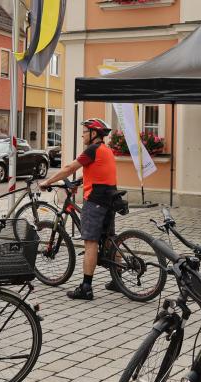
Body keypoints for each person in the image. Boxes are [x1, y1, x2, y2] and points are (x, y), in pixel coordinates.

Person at [40, 118, 120, 300]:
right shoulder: (106, 150)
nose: (83, 134)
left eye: (85, 131)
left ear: (94, 134)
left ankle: (86, 287)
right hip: (111, 197)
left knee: (90, 242)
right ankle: (118, 279)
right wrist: (79, 182)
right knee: (109, 238)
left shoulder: (91, 150)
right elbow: (98, 173)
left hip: (96, 200)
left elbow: (69, 168)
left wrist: (48, 182)